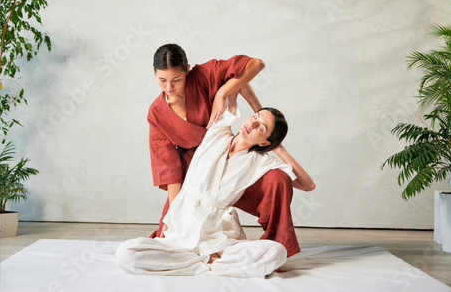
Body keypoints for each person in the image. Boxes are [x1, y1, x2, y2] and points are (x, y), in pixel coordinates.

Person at [147, 44, 313, 258]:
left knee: (278, 179)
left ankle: (276, 245)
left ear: (187, 70)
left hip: (232, 179)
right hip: (196, 172)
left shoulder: (204, 78)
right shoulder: (159, 114)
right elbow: (168, 166)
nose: (169, 86)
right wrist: (177, 212)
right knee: (166, 238)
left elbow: (249, 70)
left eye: (176, 80)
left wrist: (235, 101)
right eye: (162, 80)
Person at [117, 105, 315, 277]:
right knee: (126, 253)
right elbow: (232, 85)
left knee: (276, 253)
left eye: (261, 127)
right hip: (183, 222)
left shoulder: (261, 162)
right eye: (254, 117)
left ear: (265, 142)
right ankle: (209, 264)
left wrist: (280, 149)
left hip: (219, 234)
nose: (252, 124)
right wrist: (227, 98)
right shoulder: (219, 131)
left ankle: (204, 262)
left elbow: (307, 185)